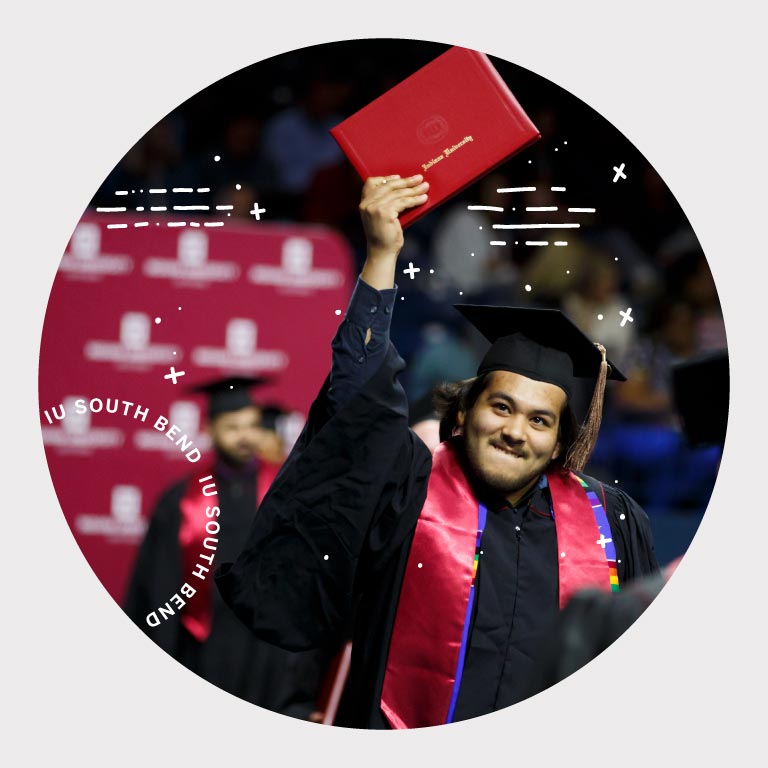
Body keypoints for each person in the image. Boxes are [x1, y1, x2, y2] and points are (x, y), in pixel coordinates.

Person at [215, 175, 659, 729]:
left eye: (540, 420)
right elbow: (359, 404)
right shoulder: (405, 489)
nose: (515, 430)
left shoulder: (613, 522)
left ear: (561, 444)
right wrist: (381, 256)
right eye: (500, 407)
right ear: (465, 412)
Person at [123, 376, 331, 719]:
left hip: (268, 653)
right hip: (203, 647)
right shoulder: (181, 501)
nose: (244, 435)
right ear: (210, 428)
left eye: (250, 425)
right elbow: (159, 585)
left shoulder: (285, 493)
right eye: (232, 427)